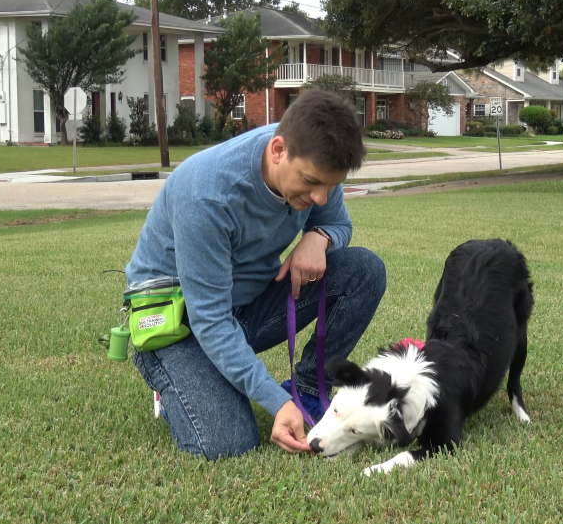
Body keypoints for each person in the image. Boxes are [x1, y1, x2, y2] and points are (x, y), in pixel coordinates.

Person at [124, 89, 386, 460]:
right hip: (178, 320)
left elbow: (336, 221)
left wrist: (320, 236)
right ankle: (179, 380)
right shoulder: (207, 194)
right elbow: (210, 320)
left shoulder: (318, 159)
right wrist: (275, 402)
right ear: (278, 150)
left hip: (250, 301)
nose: (321, 197)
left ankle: (308, 395)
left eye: (331, 185)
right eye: (311, 183)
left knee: (364, 271)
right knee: (228, 442)